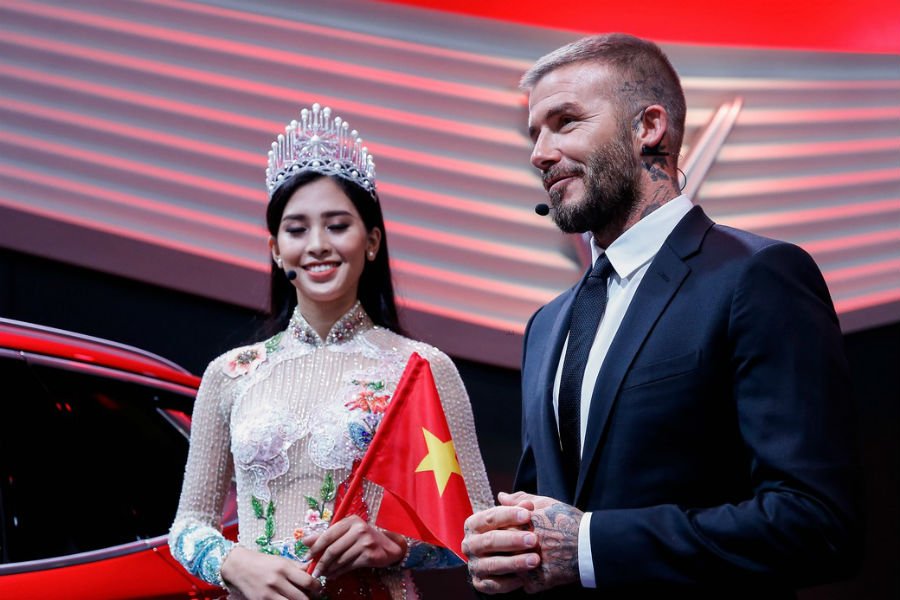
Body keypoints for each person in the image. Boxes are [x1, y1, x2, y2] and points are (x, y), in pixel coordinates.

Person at [462, 33, 862, 598]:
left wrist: (590, 547)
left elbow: (818, 523)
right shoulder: (546, 325)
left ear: (649, 127)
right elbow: (545, 523)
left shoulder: (758, 277)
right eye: (534, 134)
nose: (539, 153)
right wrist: (507, 553)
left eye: (565, 122)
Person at [169, 103, 493, 600]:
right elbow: (188, 525)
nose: (317, 244)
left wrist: (396, 546)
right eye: (297, 229)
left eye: (338, 225)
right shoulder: (231, 373)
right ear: (276, 249)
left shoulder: (421, 368)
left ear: (372, 241)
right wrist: (232, 562)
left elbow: (480, 530)